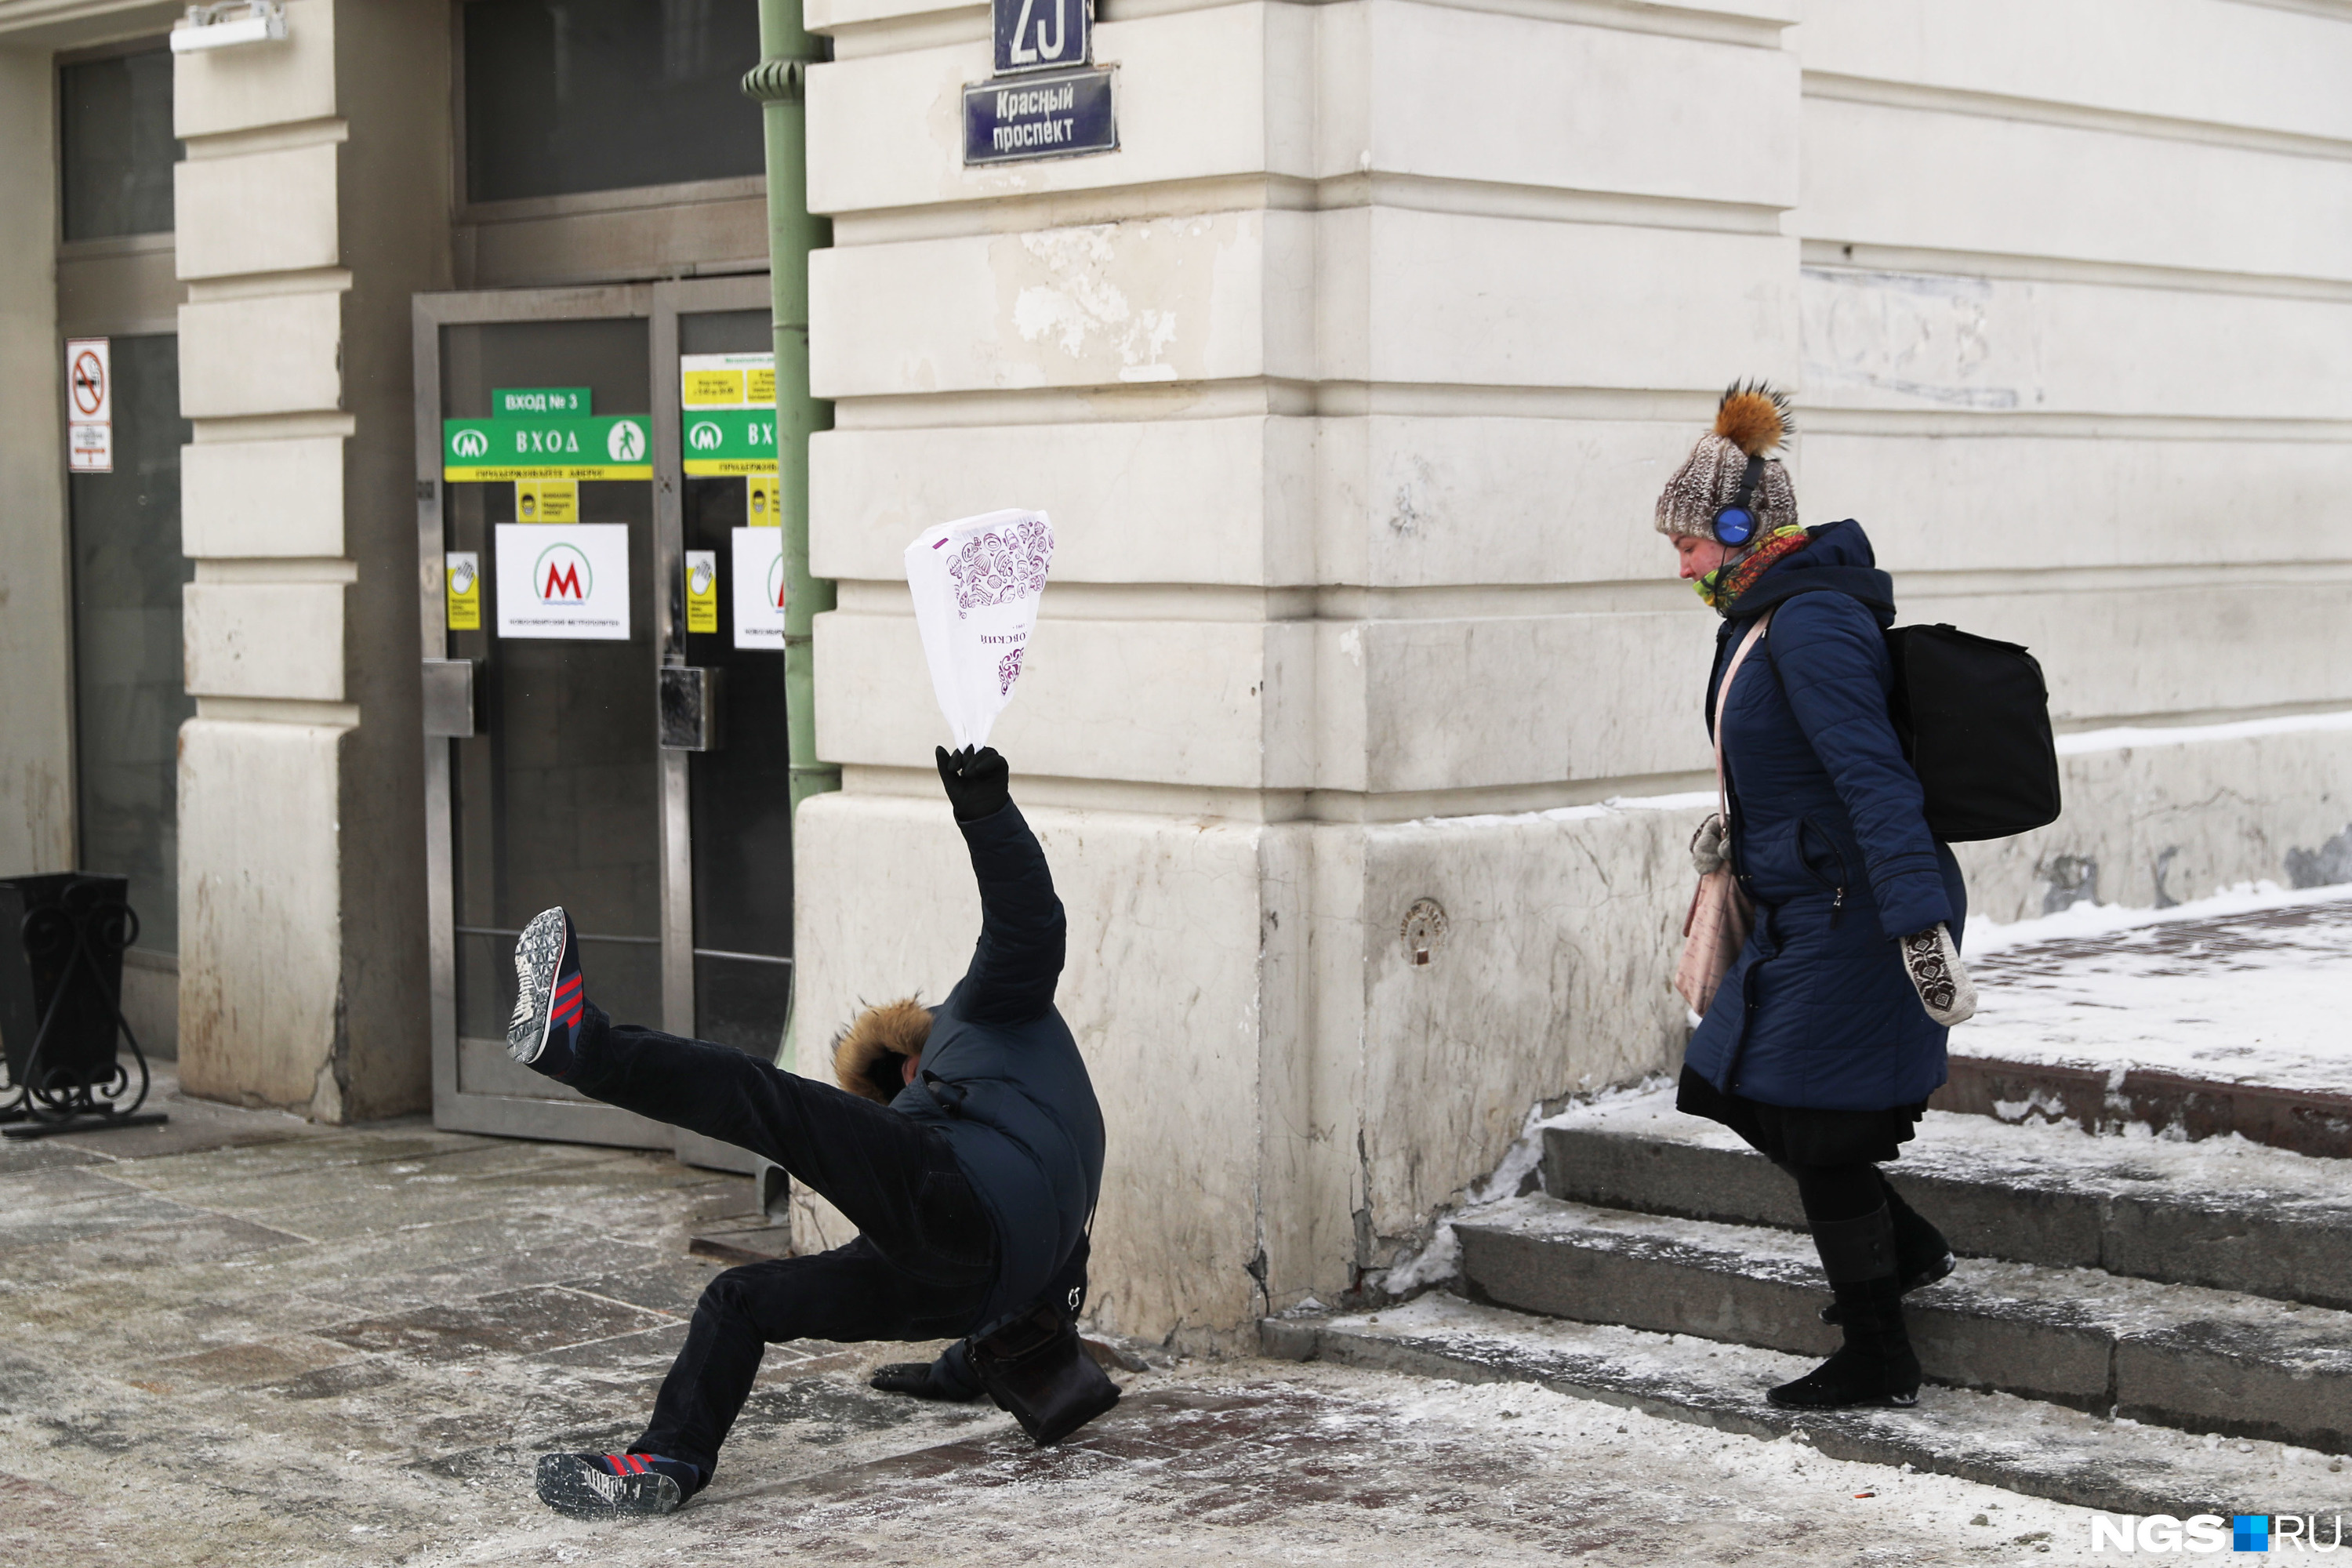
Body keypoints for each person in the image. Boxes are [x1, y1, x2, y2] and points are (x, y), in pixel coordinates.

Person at [510, 744, 1105, 1515]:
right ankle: (667, 1460)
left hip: (966, 1215)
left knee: (765, 1096)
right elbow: (1044, 1264)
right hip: (962, 1285)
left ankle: (580, 1045)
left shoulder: (985, 1013)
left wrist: (986, 811)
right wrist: (956, 1369)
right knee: (742, 1298)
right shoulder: (1033, 1116)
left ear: (911, 1057)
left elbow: (1027, 922)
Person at [1659, 383, 1978, 1411]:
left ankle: (1881, 1355)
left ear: (1743, 528)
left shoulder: (1813, 624)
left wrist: (1916, 922)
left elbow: (1872, 776)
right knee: (1732, 1082)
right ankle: (1910, 1246)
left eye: (1691, 541)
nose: (1682, 564)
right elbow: (1784, 765)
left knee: (1819, 1123)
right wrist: (1740, 835)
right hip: (1805, 900)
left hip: (1861, 912)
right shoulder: (1758, 621)